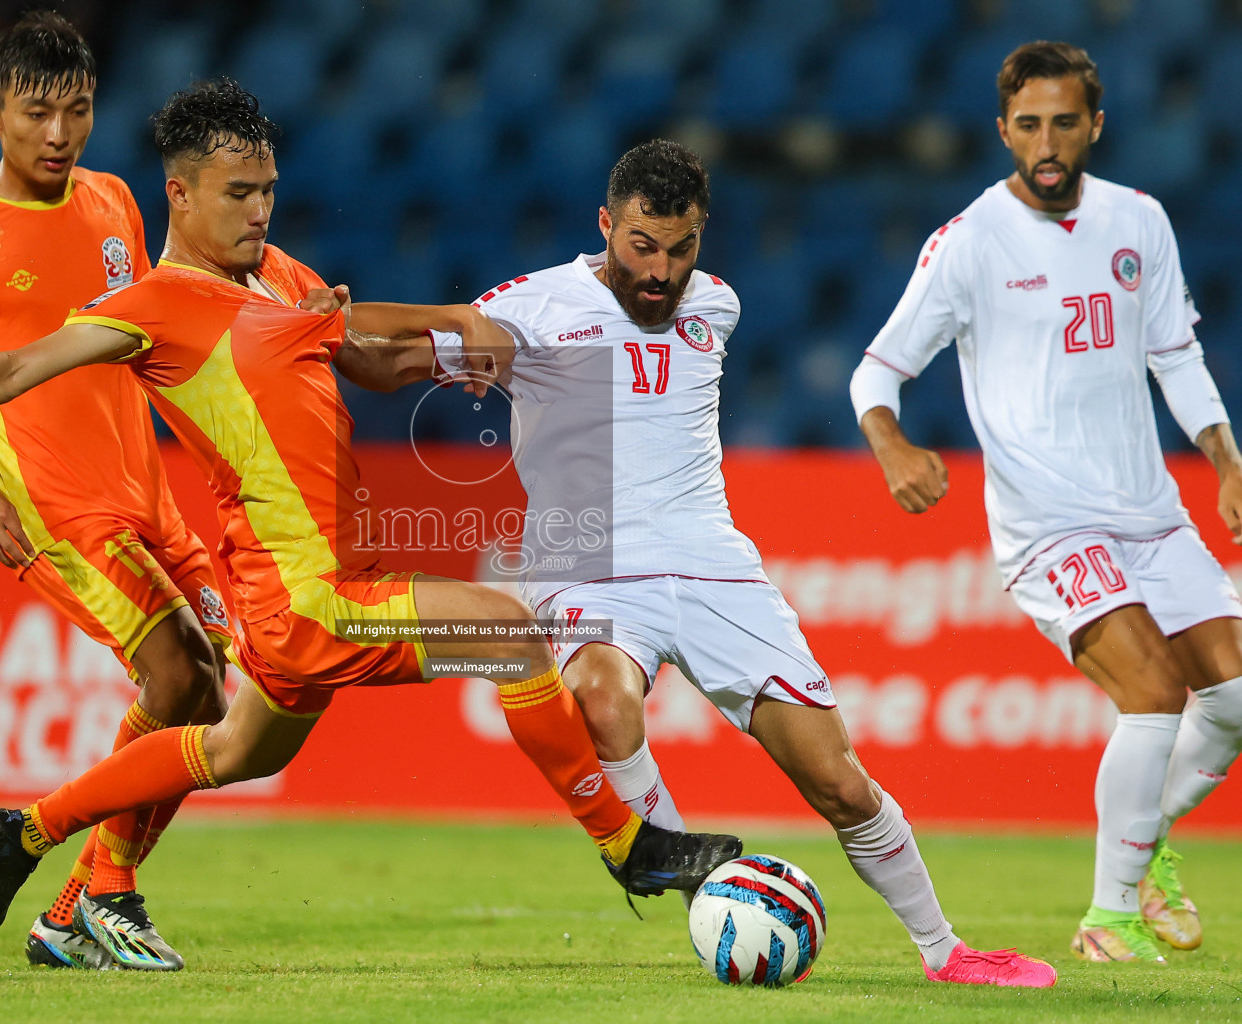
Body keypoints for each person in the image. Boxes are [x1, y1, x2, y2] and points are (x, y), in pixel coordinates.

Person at [0, 80, 744, 957]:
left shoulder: (275, 273)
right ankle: (629, 845)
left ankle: (22, 831)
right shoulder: (153, 306)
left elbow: (353, 342)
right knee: (505, 630)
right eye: (238, 193)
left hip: (307, 589)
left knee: (235, 749)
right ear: (181, 195)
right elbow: (18, 365)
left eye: (268, 188)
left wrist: (464, 340)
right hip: (308, 597)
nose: (259, 209)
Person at [398, 138, 1051, 987]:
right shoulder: (529, 306)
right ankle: (675, 865)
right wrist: (318, 333)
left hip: (714, 564)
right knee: (600, 697)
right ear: (605, 226)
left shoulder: (719, 306)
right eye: (642, 246)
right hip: (588, 558)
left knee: (840, 783)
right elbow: (400, 359)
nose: (663, 271)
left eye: (682, 247)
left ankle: (945, 951)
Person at [850, 41, 1242, 964]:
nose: (1048, 141)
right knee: (1154, 691)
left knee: (1232, 700)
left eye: (1065, 121)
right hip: (1046, 524)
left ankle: (1144, 850)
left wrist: (1226, 459)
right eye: (1029, 124)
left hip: (1149, 511)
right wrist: (893, 443)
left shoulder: (1138, 220)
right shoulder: (970, 241)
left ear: (1095, 124)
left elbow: (1174, 356)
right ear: (1004, 131)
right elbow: (878, 368)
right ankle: (1108, 918)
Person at [0, 12, 232, 972]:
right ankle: (100, 896)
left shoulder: (116, 201)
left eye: (76, 110)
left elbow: (151, 331)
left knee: (214, 695)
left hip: (150, 493)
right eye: (37, 113)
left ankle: (67, 903)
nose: (58, 134)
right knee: (175, 675)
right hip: (55, 515)